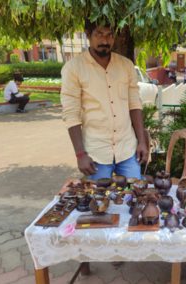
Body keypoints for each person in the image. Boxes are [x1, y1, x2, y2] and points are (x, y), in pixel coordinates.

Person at [61, 19, 148, 181]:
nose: (105, 41)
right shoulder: (73, 68)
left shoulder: (126, 66)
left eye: (109, 35)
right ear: (88, 35)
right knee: (99, 203)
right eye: (99, 34)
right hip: (96, 153)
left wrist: (141, 141)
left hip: (127, 149)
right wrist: (80, 154)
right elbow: (71, 114)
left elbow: (135, 104)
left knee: (134, 198)